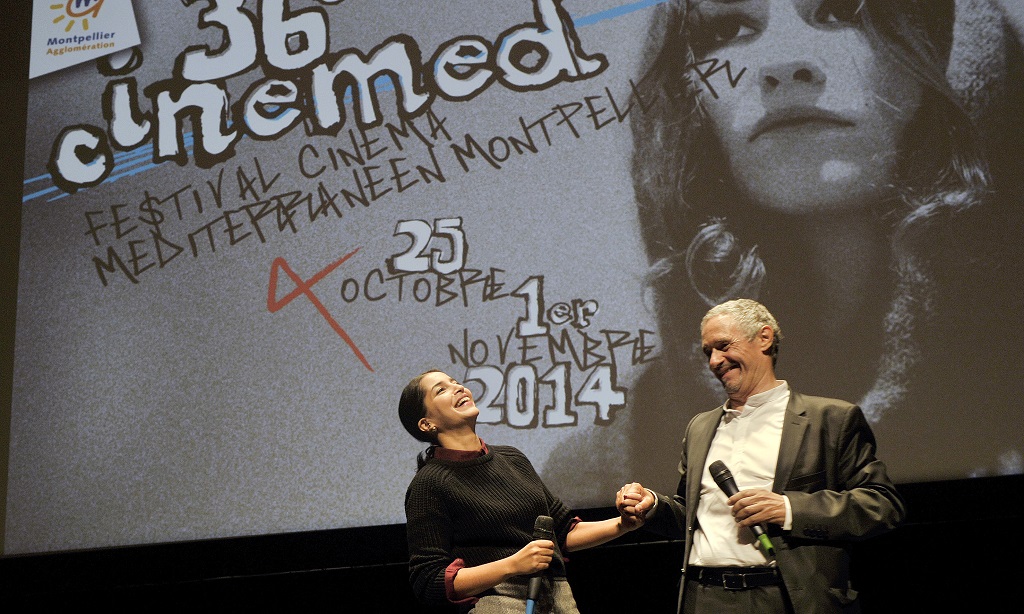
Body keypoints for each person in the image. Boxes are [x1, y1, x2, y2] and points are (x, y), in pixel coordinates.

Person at [621, 0, 1024, 489]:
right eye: (728, 29)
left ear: (951, 47)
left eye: (843, 13)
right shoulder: (615, 456)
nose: (783, 62)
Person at [617, 299, 905, 614]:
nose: (714, 360)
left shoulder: (831, 419)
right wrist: (653, 505)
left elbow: (881, 506)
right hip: (704, 598)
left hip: (786, 597)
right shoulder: (700, 427)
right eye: (707, 352)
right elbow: (691, 516)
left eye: (723, 346)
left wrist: (787, 508)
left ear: (764, 338)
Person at [401, 369, 641, 613]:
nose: (458, 387)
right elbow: (429, 581)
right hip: (498, 601)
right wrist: (512, 565)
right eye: (441, 390)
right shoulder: (429, 483)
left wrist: (623, 524)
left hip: (559, 597)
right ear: (426, 424)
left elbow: (564, 531)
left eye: (455, 382)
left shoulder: (512, 458)